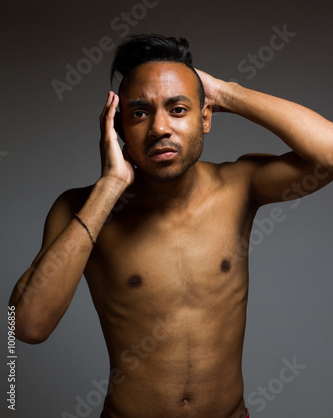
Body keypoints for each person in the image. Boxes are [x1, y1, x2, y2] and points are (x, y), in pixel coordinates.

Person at [9, 34, 333, 418]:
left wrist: (224, 92)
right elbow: (26, 326)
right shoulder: (79, 207)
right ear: (118, 130)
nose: (160, 128)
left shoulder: (240, 186)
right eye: (140, 113)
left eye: (178, 109)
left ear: (205, 117)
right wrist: (109, 187)